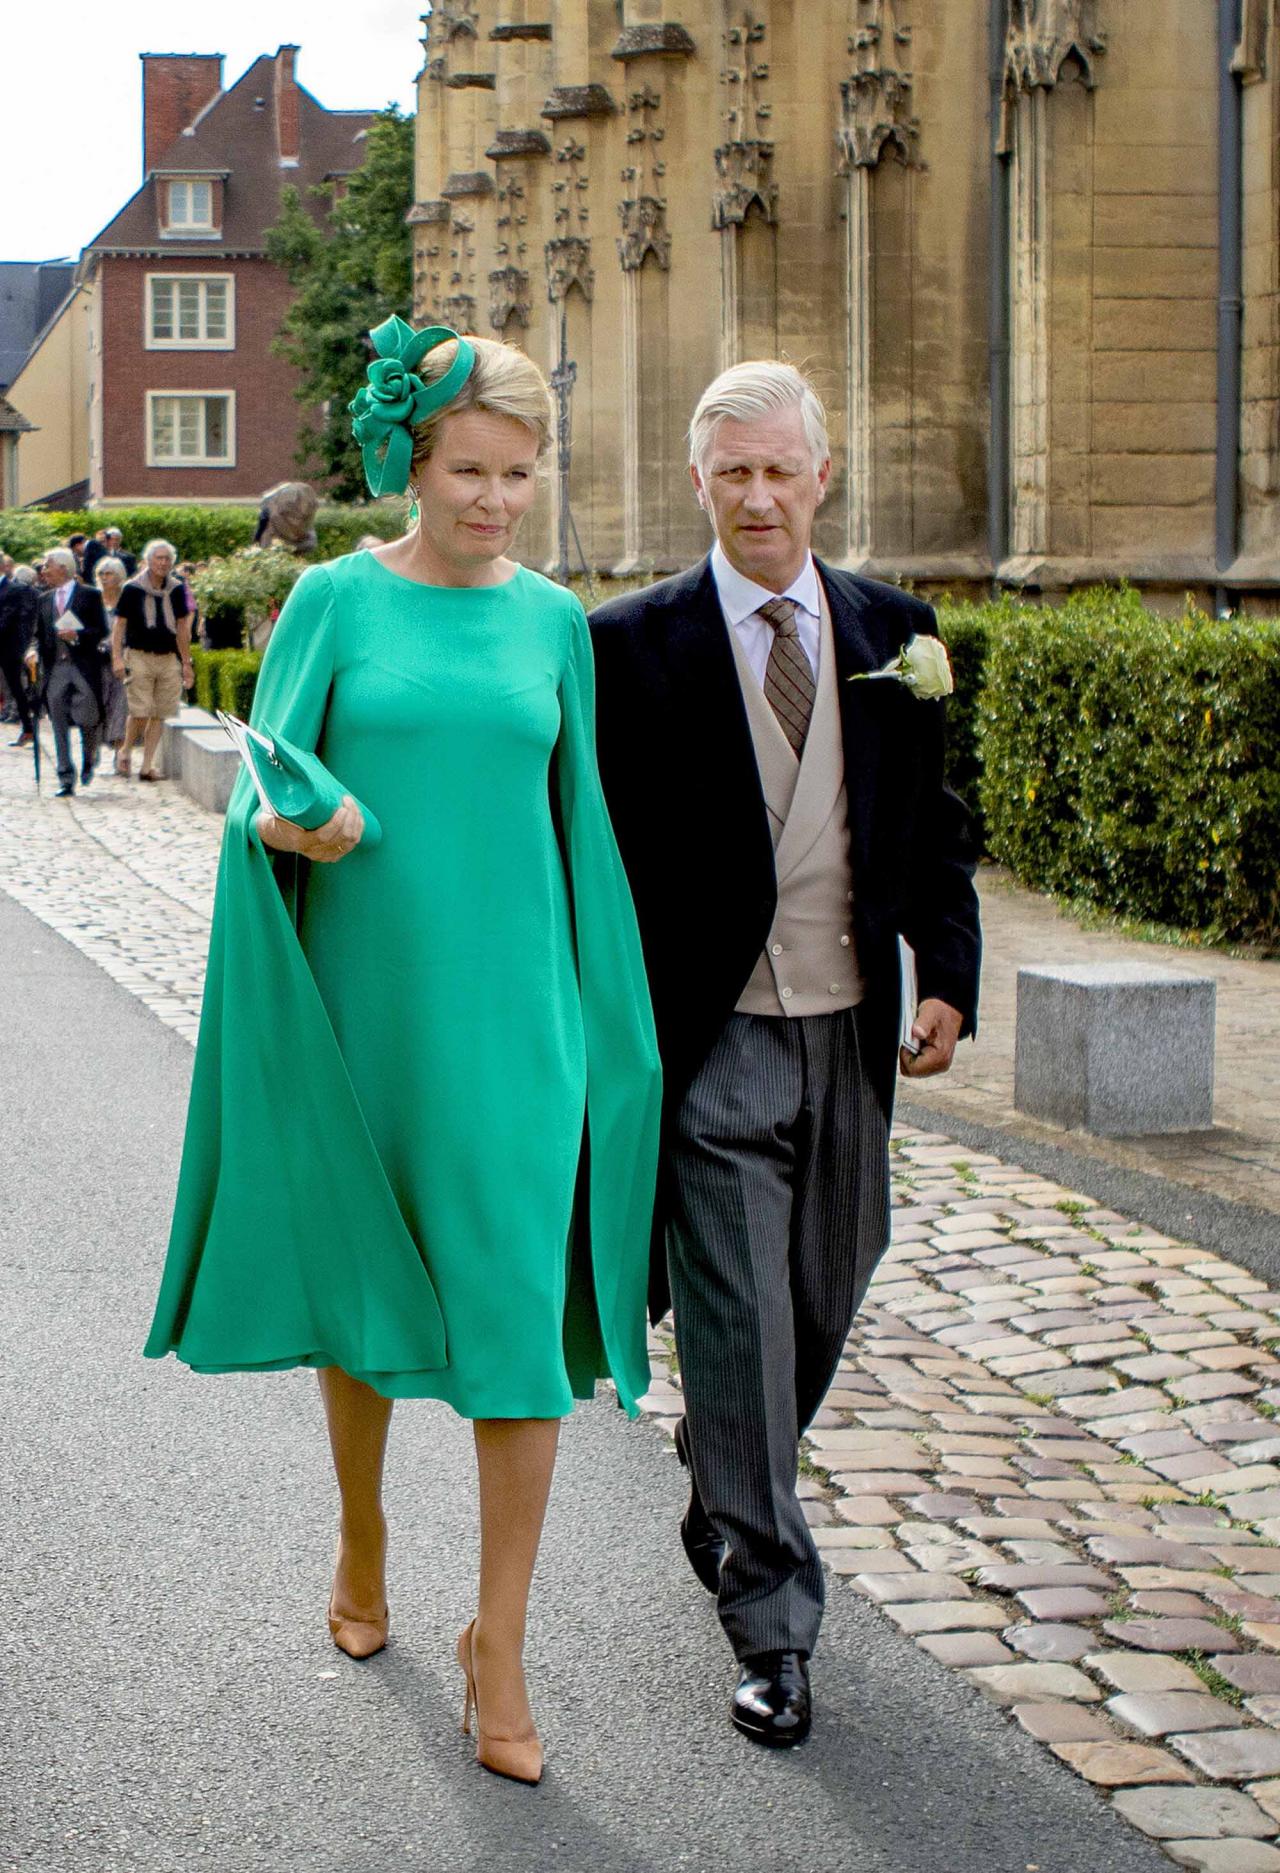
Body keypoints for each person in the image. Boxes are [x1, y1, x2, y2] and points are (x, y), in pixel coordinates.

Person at [144, 320, 661, 1788]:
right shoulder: (331, 603)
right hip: (366, 1003)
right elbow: (262, 786)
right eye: (466, 472)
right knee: (374, 1285)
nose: (493, 501)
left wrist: (606, 1037)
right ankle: (362, 1527)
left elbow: (583, 834)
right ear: (410, 465)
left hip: (518, 1025)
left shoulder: (556, 625)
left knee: (513, 1329)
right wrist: (290, 825)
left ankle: (498, 1640)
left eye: (516, 475)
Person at [589, 360, 982, 1749]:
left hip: (851, 1027)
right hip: (711, 1043)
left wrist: (953, 975)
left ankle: (723, 1480)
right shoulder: (627, 645)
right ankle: (774, 1621)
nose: (759, 496)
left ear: (823, 478)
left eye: (781, 470)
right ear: (697, 484)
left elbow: (933, 824)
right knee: (744, 1319)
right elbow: (594, 860)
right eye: (732, 473)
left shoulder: (895, 629)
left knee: (828, 1283)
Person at [26, 546, 108, 796]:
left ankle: (89, 755)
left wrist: (79, 635)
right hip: (56, 669)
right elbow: (37, 635)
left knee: (88, 718)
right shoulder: (44, 599)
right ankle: (65, 777)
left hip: (83, 666)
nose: (44, 570)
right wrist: (32, 650)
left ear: (63, 568)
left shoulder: (90, 595)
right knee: (58, 722)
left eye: (48, 565)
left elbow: (101, 630)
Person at [112, 539, 194, 780]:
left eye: (167, 558)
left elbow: (181, 627)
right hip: (139, 655)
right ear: (148, 561)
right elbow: (119, 625)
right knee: (141, 710)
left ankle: (147, 766)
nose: (163, 563)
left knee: (160, 712)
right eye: (158, 558)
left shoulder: (177, 589)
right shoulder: (132, 588)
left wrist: (186, 663)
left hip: (168, 657)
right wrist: (116, 658)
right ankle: (126, 749)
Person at [92, 555, 129, 766]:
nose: (105, 578)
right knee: (98, 704)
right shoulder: (93, 599)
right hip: (96, 661)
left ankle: (119, 752)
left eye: (109, 574)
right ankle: (93, 748)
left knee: (120, 704)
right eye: (101, 574)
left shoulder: (127, 601)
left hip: (121, 659)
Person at [0, 556, 39, 744]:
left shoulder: (15, 589)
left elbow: (7, 619)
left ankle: (28, 728)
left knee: (16, 688)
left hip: (9, 648)